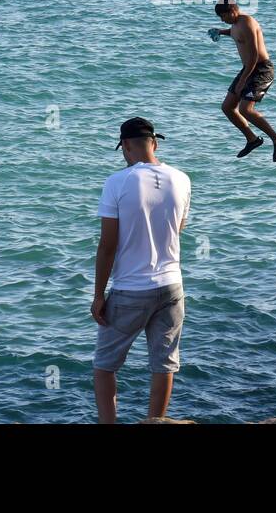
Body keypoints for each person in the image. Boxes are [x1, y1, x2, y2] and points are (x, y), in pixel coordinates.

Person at [91, 118, 191, 424]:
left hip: (131, 289)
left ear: (126, 147)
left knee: (105, 366)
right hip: (172, 286)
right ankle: (155, 422)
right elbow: (178, 229)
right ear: (155, 144)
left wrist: (98, 295)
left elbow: (107, 245)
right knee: (164, 365)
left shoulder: (117, 182)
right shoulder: (182, 179)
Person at [209, 0, 276, 161]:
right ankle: (252, 139)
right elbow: (235, 33)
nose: (223, 20)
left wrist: (243, 80)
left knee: (246, 109)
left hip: (261, 70)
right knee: (228, 107)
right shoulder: (235, 24)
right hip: (248, 69)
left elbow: (253, 56)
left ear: (232, 11)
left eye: (223, 17)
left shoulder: (248, 22)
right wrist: (220, 32)